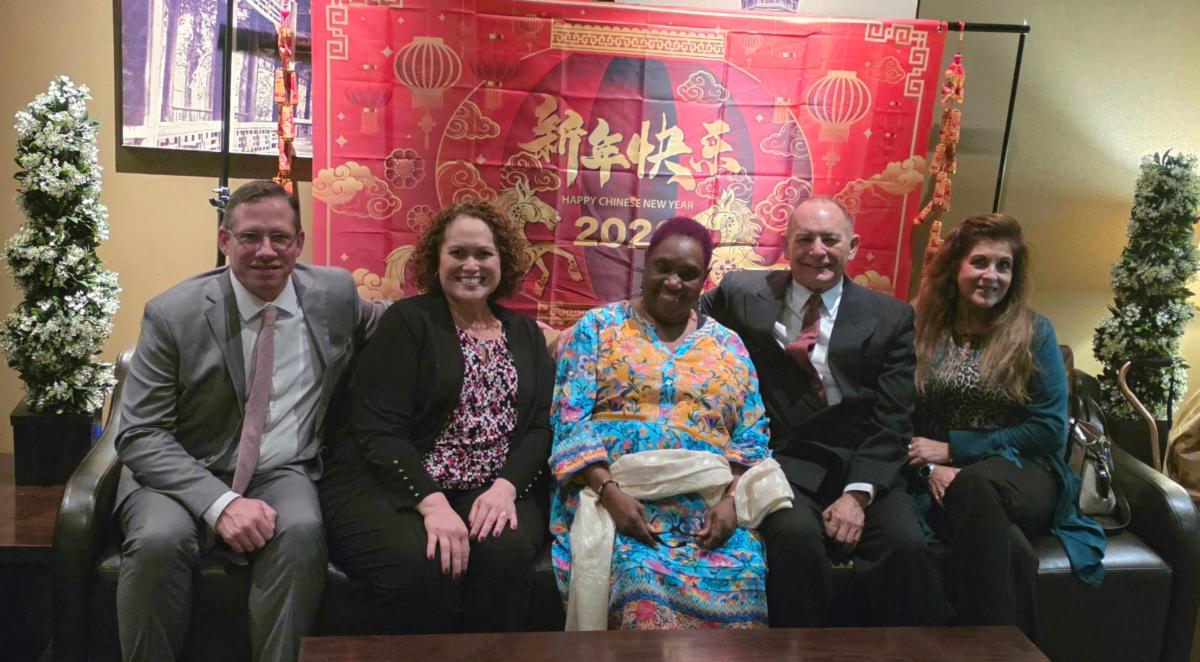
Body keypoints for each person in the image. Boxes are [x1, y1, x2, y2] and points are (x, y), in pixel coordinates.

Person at [115, 180, 385, 662]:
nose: (266, 251)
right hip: (181, 469)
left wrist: (485, 313)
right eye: (250, 237)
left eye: (279, 237)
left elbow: (399, 325)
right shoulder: (172, 314)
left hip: (281, 468)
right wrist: (220, 504)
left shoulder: (333, 294)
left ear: (299, 243)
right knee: (159, 540)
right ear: (225, 240)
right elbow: (140, 434)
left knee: (300, 531)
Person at [699, 197, 943, 627]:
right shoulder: (743, 292)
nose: (818, 251)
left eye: (830, 240)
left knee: (906, 545)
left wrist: (857, 495)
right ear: (785, 246)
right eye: (804, 239)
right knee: (793, 539)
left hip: (864, 460)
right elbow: (677, 304)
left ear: (852, 246)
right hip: (788, 462)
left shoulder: (890, 317)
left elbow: (893, 419)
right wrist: (609, 323)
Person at [318, 201, 554, 633]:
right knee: (427, 563)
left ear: (503, 261)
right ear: (436, 260)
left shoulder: (525, 333)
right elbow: (378, 431)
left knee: (506, 555)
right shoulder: (408, 322)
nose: (471, 265)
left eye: (484, 254)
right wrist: (431, 502)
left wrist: (506, 488)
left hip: (492, 487)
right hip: (392, 481)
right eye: (457, 253)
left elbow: (540, 427)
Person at [550, 217, 792, 631]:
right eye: (663, 267)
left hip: (706, 507)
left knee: (745, 569)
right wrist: (610, 493)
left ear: (704, 278)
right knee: (637, 574)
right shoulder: (598, 327)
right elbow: (569, 419)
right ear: (646, 264)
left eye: (688, 273)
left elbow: (751, 433)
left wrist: (731, 503)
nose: (673, 282)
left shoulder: (729, 345)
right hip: (615, 497)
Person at [909, 213, 1105, 638]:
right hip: (935, 475)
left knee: (974, 486)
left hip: (1024, 470)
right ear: (955, 267)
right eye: (980, 262)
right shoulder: (919, 326)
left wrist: (955, 450)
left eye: (1004, 265)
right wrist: (932, 468)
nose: (992, 276)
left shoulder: (1034, 332)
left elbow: (1049, 430)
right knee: (1011, 547)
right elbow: (895, 413)